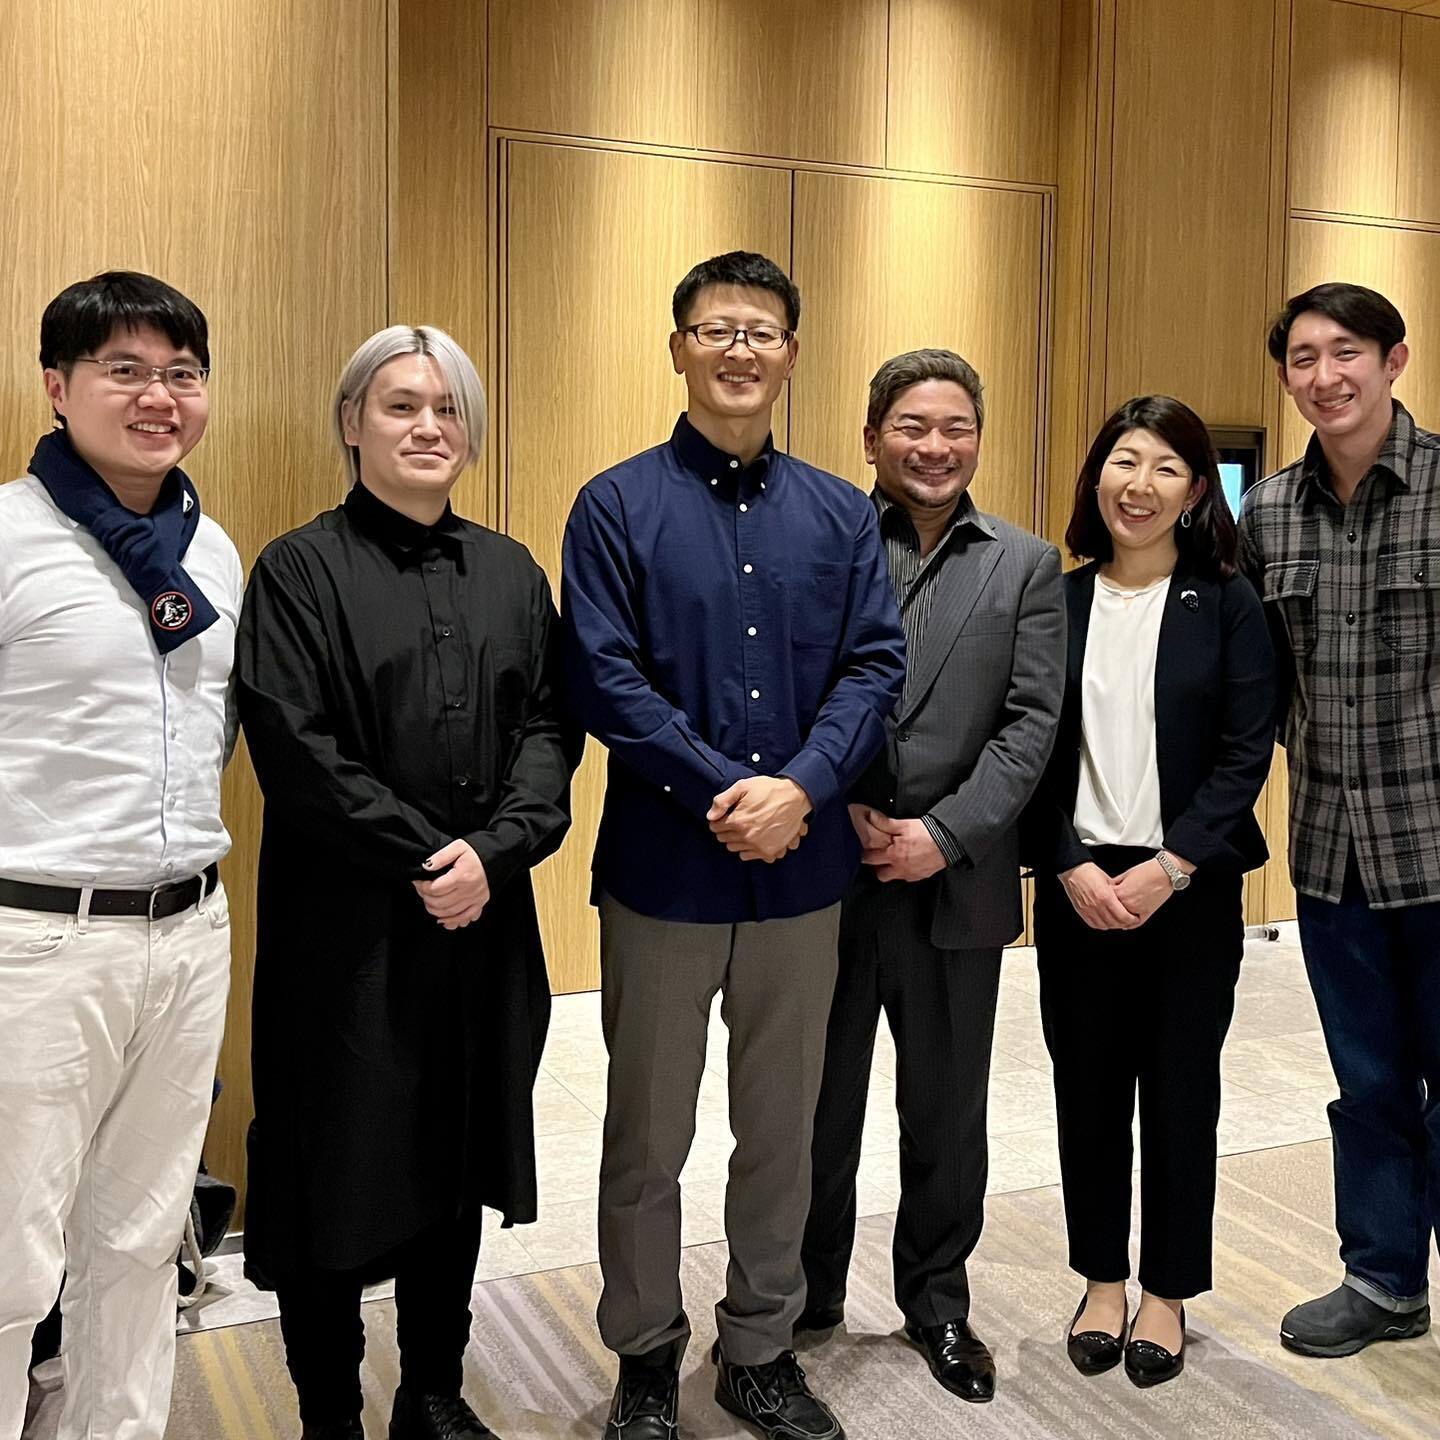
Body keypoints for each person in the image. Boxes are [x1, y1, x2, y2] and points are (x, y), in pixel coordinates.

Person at [562, 251, 906, 1440]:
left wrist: (802, 787)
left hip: (802, 878)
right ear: (679, 350)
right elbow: (603, 677)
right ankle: (645, 1353)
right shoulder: (615, 505)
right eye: (717, 330)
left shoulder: (841, 513)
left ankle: (760, 1347)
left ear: (792, 356)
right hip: (666, 872)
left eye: (762, 331)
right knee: (647, 1137)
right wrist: (733, 790)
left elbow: (874, 666)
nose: (740, 351)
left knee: (783, 1132)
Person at [237, 326, 579, 1440]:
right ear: (352, 423)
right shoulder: (297, 570)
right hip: (346, 933)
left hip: (483, 921)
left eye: (448, 409)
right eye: (400, 405)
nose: (428, 426)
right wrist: (431, 857)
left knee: (456, 1151)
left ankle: (432, 1390)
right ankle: (329, 1411)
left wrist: (497, 851)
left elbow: (551, 728)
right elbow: (295, 748)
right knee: (333, 1166)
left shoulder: (512, 571)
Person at [799, 349, 1066, 1404]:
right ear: (871, 437)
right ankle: (804, 1295)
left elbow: (1030, 724)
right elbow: (788, 693)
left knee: (947, 1113)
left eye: (956, 427)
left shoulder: (1026, 565)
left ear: (979, 441)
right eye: (912, 426)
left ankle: (938, 1303)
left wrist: (942, 834)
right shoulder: (821, 542)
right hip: (827, 870)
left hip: (957, 882)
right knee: (813, 1106)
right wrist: (833, 802)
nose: (935, 446)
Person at [0, 271, 240, 1440]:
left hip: (188, 934)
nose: (159, 397)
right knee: (8, 1262)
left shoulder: (216, 553)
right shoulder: (9, 535)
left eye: (181, 373)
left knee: (142, 1241)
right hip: (36, 942)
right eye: (125, 371)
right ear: (57, 386)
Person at [1027, 395, 1274, 1388]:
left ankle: (1167, 1291)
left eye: (1167, 467)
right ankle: (1101, 1280)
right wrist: (1068, 863)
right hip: (1079, 880)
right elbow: (1026, 748)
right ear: (1098, 477)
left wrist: (1172, 866)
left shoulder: (1228, 602)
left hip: (1188, 886)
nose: (1141, 484)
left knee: (1180, 1092)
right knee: (1086, 1090)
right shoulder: (1056, 602)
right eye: (1125, 462)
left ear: (1195, 491)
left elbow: (1244, 752)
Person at [1240, 282, 1440, 1358]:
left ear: (1394, 359)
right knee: (1368, 1083)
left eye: (1346, 351)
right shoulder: (1269, 513)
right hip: (1333, 855)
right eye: (1304, 359)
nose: (1326, 376)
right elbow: (1253, 685)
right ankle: (1384, 1281)